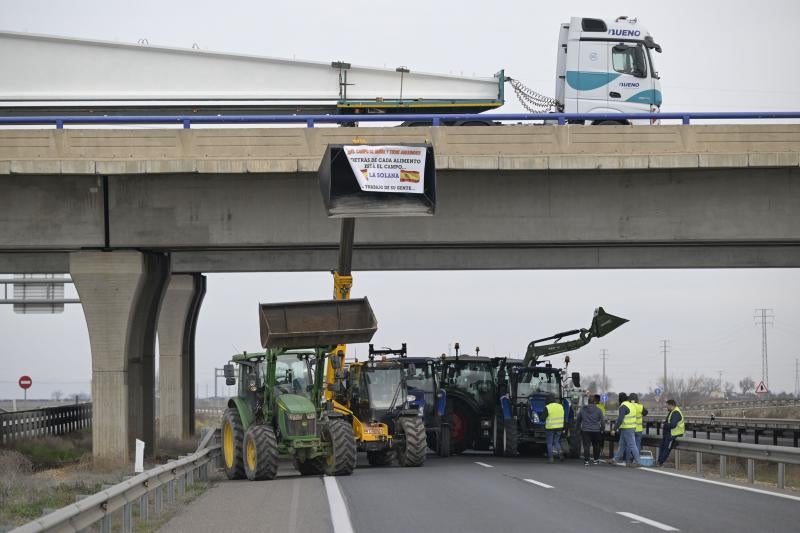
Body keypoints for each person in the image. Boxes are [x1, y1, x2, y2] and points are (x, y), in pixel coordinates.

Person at [612, 393, 640, 466]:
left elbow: (620, 419)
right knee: (622, 445)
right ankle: (615, 460)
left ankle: (638, 462)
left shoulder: (623, 406)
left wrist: (614, 429)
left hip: (627, 428)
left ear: (620, 399)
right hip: (630, 427)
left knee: (632, 445)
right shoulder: (631, 404)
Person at [657, 399, 685, 466]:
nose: (666, 407)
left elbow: (673, 425)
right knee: (663, 447)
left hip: (673, 434)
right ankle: (659, 462)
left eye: (667, 406)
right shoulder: (672, 411)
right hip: (669, 433)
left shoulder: (676, 413)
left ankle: (660, 462)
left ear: (670, 405)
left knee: (666, 449)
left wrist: (664, 425)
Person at [576, 396, 603, 465]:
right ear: (595, 402)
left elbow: (578, 420)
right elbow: (602, 421)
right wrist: (602, 429)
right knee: (596, 445)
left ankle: (586, 461)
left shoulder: (583, 409)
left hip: (585, 430)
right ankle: (596, 460)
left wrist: (578, 428)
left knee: (586, 445)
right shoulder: (599, 410)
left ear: (588, 402)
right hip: (596, 430)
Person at [543, 397, 565, 463]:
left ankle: (551, 458)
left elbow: (543, 418)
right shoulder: (560, 406)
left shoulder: (547, 407)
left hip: (550, 428)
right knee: (556, 441)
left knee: (549, 443)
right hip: (559, 427)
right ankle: (560, 452)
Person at [629, 393, 648, 461]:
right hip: (639, 430)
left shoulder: (628, 406)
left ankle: (630, 458)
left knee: (630, 444)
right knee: (637, 444)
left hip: (630, 429)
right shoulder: (640, 406)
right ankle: (636, 459)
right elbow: (645, 413)